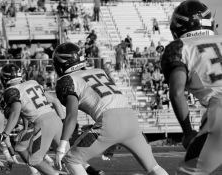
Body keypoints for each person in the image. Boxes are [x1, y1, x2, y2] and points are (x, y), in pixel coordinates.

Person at [52, 42, 168, 175]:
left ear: (62, 64)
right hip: (131, 119)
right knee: (153, 167)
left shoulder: (68, 80)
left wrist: (61, 148)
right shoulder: (100, 71)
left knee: (71, 160)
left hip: (108, 122)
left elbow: (71, 116)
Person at [0, 64, 103, 175]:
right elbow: (55, 101)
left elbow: (15, 113)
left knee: (34, 160)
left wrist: (4, 134)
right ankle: (91, 171)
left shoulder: (11, 91)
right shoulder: (33, 83)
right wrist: (63, 122)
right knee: (68, 156)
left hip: (42, 124)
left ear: (4, 79)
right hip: (56, 119)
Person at [160, 0, 222, 174]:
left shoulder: (180, 47)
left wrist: (187, 132)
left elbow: (177, 91)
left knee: (188, 171)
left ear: (176, 28)